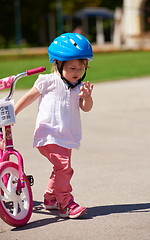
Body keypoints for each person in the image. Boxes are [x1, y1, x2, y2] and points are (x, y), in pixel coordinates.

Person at [15, 33, 94, 219]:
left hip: (67, 136)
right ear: (58, 64)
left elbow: (86, 108)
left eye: (81, 69)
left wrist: (87, 98)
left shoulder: (78, 86)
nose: (77, 72)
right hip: (49, 134)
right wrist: (14, 113)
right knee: (65, 168)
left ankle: (50, 199)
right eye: (72, 67)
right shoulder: (48, 81)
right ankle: (66, 203)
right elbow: (29, 97)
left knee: (59, 169)